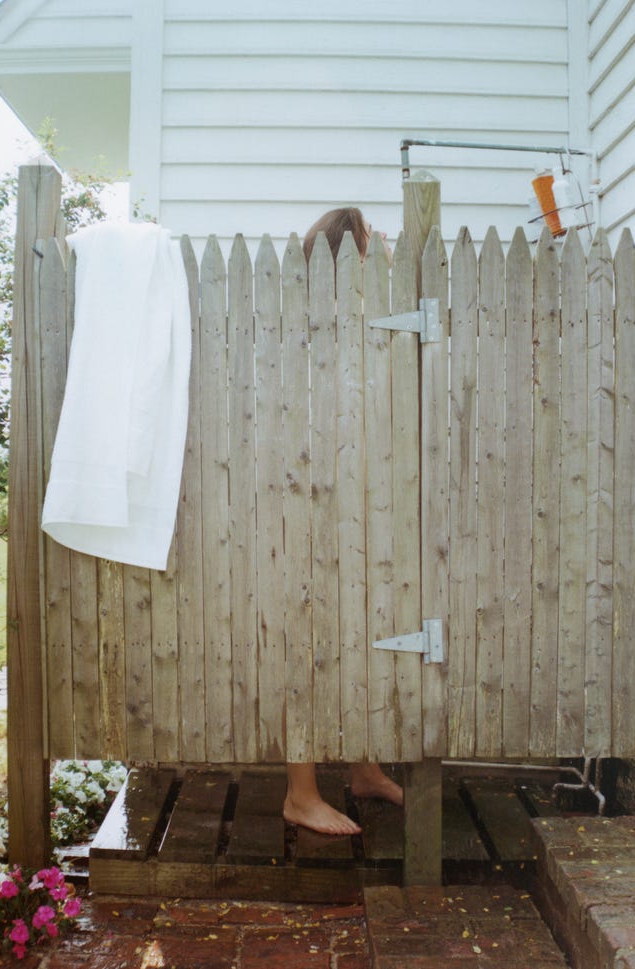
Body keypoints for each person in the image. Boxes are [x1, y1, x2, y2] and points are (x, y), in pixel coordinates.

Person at [282, 207, 402, 837]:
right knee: (310, 642)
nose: (379, 250)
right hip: (311, 504)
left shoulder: (358, 317)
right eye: (368, 244)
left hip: (358, 498)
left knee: (362, 635)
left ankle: (363, 770)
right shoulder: (309, 323)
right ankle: (301, 793)